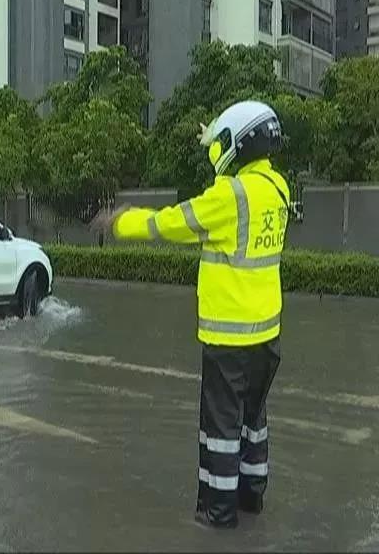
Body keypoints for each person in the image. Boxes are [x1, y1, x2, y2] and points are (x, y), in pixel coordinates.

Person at [93, 100, 290, 529]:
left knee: (219, 428)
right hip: (267, 334)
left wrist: (121, 223)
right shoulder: (277, 188)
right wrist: (215, 132)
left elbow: (171, 223)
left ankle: (217, 515)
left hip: (228, 338)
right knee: (253, 422)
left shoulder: (229, 195)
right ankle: (251, 500)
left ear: (238, 143)